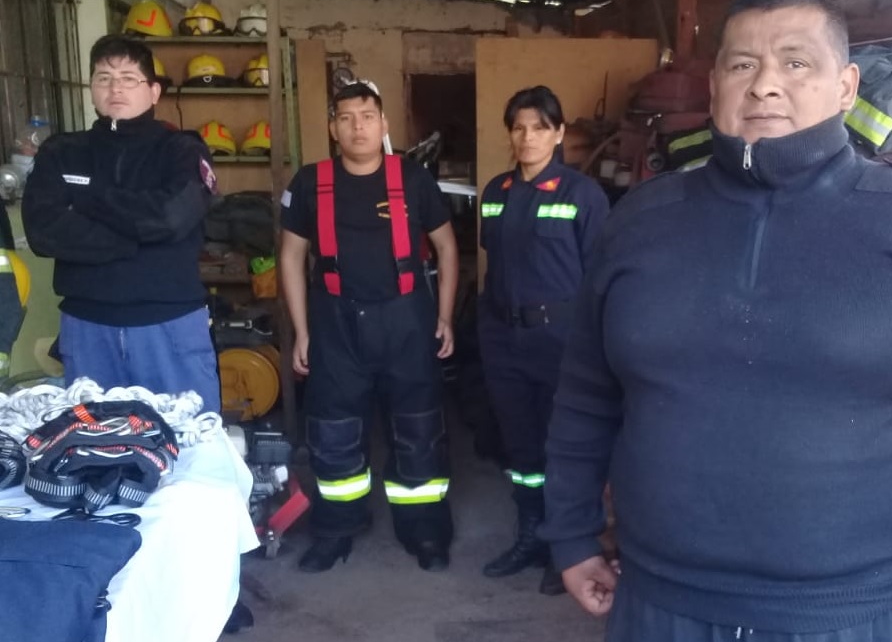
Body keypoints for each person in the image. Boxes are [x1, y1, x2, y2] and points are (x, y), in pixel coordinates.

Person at [539, 0, 892, 642]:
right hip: (657, 604)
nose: (765, 84)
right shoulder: (639, 223)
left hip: (850, 615)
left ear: (845, 86)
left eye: (796, 63)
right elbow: (584, 395)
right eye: (742, 63)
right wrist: (570, 531)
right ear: (714, 83)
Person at [21, 34, 252, 634]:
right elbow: (47, 233)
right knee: (87, 459)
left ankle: (218, 590)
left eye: (128, 77)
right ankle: (114, 589)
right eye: (103, 77)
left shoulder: (182, 151)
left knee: (194, 457)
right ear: (92, 88)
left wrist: (91, 200)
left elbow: (172, 216)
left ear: (153, 90)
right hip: (89, 324)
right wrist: (135, 234)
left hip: (166, 325)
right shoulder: (62, 152)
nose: (114, 88)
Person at [279, 82, 459, 573]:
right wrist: (302, 330)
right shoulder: (310, 182)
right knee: (334, 434)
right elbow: (292, 256)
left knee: (419, 429)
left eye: (367, 115)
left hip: (406, 321)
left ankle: (423, 529)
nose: (358, 125)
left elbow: (446, 247)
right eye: (346, 117)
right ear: (333, 128)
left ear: (383, 125)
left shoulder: (414, 180)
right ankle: (336, 529)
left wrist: (444, 317)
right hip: (335, 323)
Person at [478, 86, 609, 594]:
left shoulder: (582, 194)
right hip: (504, 338)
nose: (527, 137)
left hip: (563, 341)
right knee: (522, 446)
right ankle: (530, 535)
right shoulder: (496, 192)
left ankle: (570, 550)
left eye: (538, 127)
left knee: (568, 447)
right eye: (518, 127)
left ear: (558, 133)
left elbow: (600, 276)